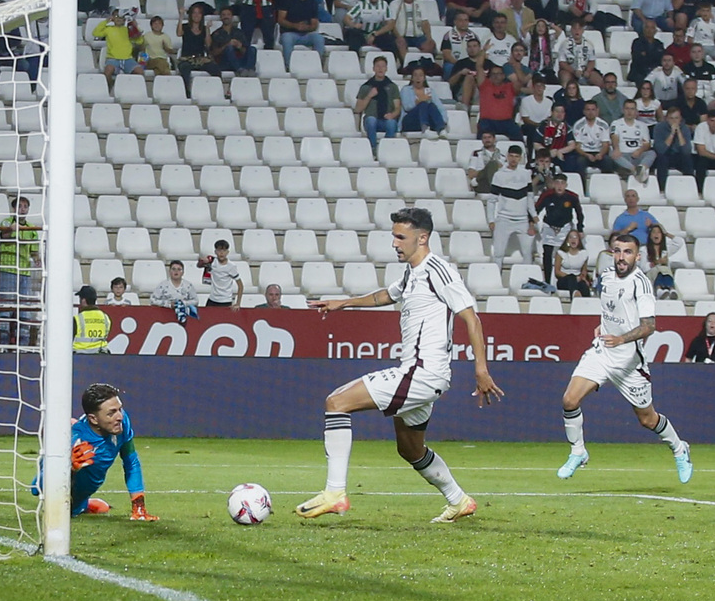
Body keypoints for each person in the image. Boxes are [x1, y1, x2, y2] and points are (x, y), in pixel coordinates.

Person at [295, 208, 505, 523]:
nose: (394, 243)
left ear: (422, 238)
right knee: (410, 449)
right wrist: (344, 302)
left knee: (336, 402)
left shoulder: (439, 270)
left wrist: (481, 369)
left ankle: (335, 492)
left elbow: (471, 317)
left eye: (400, 237)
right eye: (393, 236)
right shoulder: (411, 273)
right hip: (423, 375)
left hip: (421, 372)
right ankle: (459, 500)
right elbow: (385, 296)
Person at [556, 233, 693, 483]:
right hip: (602, 353)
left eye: (627, 252)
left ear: (637, 256)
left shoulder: (640, 284)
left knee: (647, 419)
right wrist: (603, 327)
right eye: (617, 251)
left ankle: (679, 448)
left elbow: (649, 326)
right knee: (569, 399)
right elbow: (612, 310)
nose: (621, 257)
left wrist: (621, 338)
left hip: (630, 363)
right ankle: (578, 451)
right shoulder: (606, 276)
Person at [31, 383, 157, 520]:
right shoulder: (76, 441)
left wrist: (139, 507)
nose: (119, 416)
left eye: (119, 409)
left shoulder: (121, 422)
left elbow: (131, 461)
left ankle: (85, 505)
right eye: (111, 413)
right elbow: (35, 488)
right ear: (93, 419)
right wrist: (66, 465)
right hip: (63, 506)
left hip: (83, 496)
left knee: (102, 507)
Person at [0, 195, 40, 347]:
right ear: (13, 209)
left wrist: (37, 258)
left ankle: (23, 344)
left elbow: (34, 250)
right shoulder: (7, 222)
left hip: (25, 272)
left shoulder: (32, 229)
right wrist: (10, 230)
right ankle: (3, 342)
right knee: (6, 306)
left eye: (25, 207)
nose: (22, 209)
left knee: (24, 308)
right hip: (8, 270)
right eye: (19, 206)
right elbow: (4, 235)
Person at [355, 56, 402, 150]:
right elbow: (358, 109)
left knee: (392, 123)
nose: (380, 69)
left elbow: (398, 107)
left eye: (383, 66)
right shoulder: (366, 87)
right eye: (378, 66)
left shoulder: (392, 87)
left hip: (386, 119)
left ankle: (386, 149)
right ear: (373, 68)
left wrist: (392, 115)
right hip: (371, 119)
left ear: (386, 68)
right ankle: (373, 149)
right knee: (371, 120)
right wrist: (369, 96)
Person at [202, 239, 243, 309]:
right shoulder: (212, 262)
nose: (221, 253)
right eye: (219, 250)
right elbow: (199, 265)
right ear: (215, 252)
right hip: (212, 299)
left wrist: (238, 303)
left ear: (227, 252)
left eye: (224, 250)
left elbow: (240, 285)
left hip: (226, 300)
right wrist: (202, 261)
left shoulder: (231, 266)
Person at [554, 229, 593, 299]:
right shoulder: (561, 253)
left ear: (579, 240)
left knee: (583, 286)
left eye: (575, 237)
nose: (573, 239)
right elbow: (557, 272)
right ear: (567, 240)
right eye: (571, 237)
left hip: (578, 279)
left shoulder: (584, 254)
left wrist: (583, 278)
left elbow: (584, 271)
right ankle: (575, 297)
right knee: (571, 278)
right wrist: (573, 278)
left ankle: (587, 305)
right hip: (564, 280)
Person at [72, 285, 110, 355]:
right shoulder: (105, 317)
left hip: (80, 357)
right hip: (101, 356)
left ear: (83, 300)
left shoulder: (78, 319)